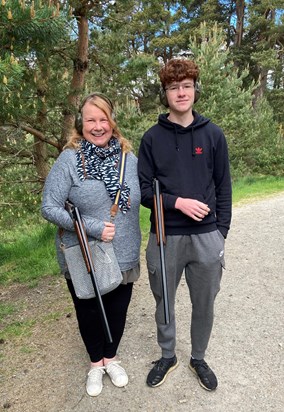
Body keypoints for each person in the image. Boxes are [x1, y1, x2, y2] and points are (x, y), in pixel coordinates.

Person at [138, 58, 232, 391]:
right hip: (165, 237)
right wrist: (177, 202)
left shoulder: (212, 134)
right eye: (174, 87)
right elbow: (145, 191)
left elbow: (224, 187)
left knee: (204, 301)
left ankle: (199, 357)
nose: (181, 93)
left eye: (187, 86)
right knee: (164, 300)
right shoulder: (151, 139)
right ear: (165, 93)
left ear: (195, 89)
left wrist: (220, 234)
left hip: (207, 237)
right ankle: (167, 356)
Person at [42, 93, 141, 397]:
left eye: (103, 119)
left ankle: (111, 358)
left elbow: (146, 194)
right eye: (90, 120)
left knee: (117, 309)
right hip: (84, 254)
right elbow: (49, 206)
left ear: (113, 121)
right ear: (80, 123)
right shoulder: (70, 159)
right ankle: (95, 364)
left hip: (124, 251)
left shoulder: (129, 158)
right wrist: (93, 227)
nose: (98, 126)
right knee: (89, 310)